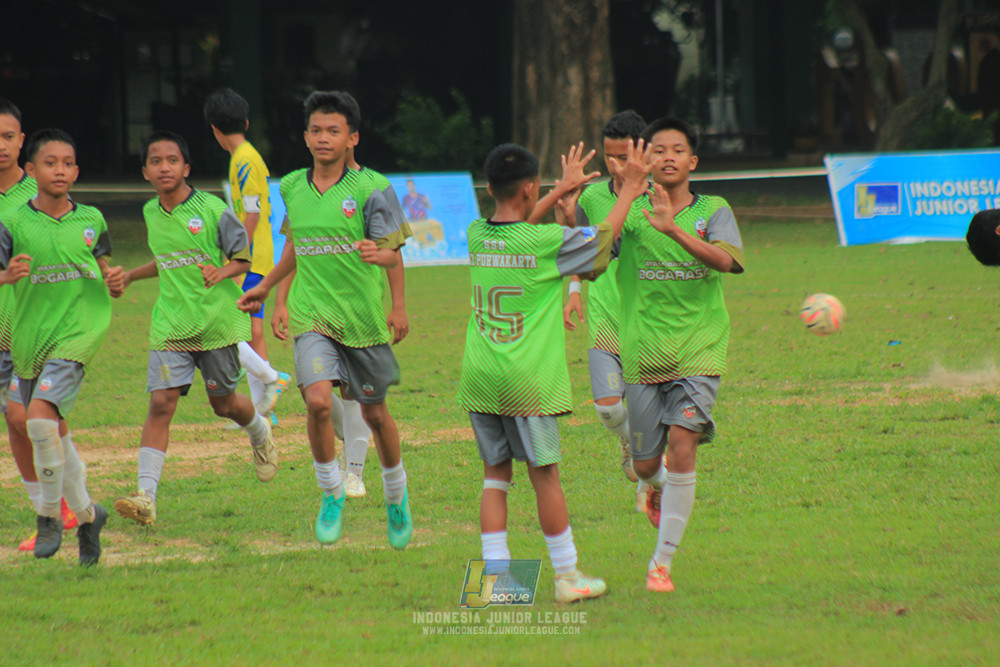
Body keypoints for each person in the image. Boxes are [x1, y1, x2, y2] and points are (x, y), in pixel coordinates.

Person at [458, 140, 653, 603]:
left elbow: (515, 225)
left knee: (495, 477)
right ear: (529, 186)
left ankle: (494, 584)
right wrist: (627, 189)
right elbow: (603, 242)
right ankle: (567, 576)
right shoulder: (550, 243)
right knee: (545, 477)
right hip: (528, 383)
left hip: (480, 376)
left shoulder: (474, 234)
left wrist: (554, 190)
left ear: (489, 188)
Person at [238, 91, 412, 549]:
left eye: (333, 130)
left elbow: (394, 251)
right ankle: (331, 493)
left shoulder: (373, 188)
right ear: (304, 136)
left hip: (363, 318)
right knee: (317, 401)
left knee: (375, 414)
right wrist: (270, 291)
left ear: (352, 137)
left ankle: (396, 497)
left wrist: (397, 302)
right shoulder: (293, 186)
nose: (323, 138)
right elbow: (296, 246)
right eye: (315, 130)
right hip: (312, 315)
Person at [112, 131, 279, 527]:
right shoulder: (151, 212)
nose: (164, 166)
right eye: (156, 161)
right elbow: (168, 261)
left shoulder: (211, 208)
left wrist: (222, 270)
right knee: (161, 402)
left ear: (186, 168)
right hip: (172, 325)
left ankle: (260, 431)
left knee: (224, 404)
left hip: (217, 323)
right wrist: (132, 276)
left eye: (172, 160)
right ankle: (146, 497)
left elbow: (243, 257)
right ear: (145, 172)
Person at [620, 118, 745, 593]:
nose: (668, 156)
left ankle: (661, 564)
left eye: (678, 150)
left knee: (683, 444)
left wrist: (672, 230)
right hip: (644, 352)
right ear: (646, 160)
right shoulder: (629, 213)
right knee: (648, 465)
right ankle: (651, 485)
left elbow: (726, 261)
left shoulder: (713, 209)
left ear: (693, 161)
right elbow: (590, 253)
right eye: (658, 150)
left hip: (700, 348)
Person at [0, 128, 126, 565]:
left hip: (78, 334)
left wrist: (113, 279)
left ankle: (49, 517)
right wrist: (5, 277)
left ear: (77, 170)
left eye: (68, 163)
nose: (60, 170)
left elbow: (103, 264)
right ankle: (90, 515)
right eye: (50, 163)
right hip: (31, 337)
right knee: (30, 419)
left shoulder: (91, 218)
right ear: (31, 170)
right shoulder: (13, 223)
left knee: (37, 420)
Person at [560, 110, 653, 514]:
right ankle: (631, 446)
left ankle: (648, 481)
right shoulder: (595, 196)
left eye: (623, 157)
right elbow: (579, 246)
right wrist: (575, 289)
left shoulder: (660, 194)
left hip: (650, 322)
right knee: (609, 407)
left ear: (641, 153)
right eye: (610, 158)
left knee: (648, 413)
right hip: (604, 317)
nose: (615, 167)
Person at [0, 99, 79, 551]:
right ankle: (59, 507)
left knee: (25, 414)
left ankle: (60, 509)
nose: (2, 146)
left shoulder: (39, 192)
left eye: (9, 136)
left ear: (22, 142)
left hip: (34, 328)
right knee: (17, 424)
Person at [204, 88, 289, 425]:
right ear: (247, 122)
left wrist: (237, 258)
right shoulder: (246, 156)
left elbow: (251, 212)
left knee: (226, 327)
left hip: (253, 258)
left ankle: (270, 381)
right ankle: (263, 409)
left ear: (214, 129)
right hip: (258, 256)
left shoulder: (244, 159)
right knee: (250, 330)